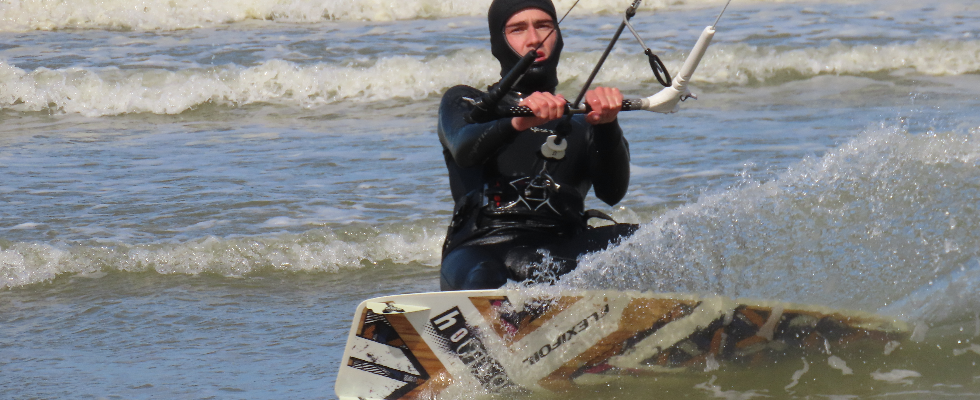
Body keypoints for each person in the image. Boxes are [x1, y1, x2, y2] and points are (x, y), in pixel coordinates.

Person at [437, 0, 637, 291]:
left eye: (543, 26)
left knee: (651, 242)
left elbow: (612, 193)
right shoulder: (467, 104)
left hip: (562, 250)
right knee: (485, 276)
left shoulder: (583, 122)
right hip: (480, 250)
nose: (534, 39)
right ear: (499, 42)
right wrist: (517, 121)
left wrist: (607, 125)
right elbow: (465, 150)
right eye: (518, 29)